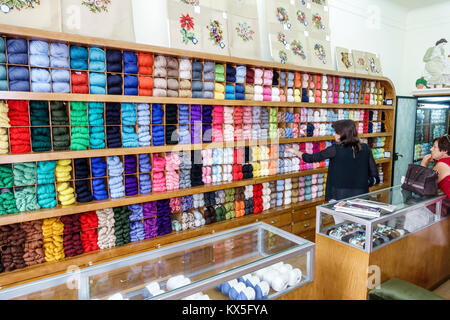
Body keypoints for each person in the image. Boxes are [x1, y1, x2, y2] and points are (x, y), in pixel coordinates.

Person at [287, 119, 379, 202]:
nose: (333, 134)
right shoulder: (365, 148)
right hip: (361, 196)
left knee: (342, 221)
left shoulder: (335, 149)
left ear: (343, 133)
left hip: (339, 196)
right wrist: (364, 183)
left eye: (336, 132)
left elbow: (311, 158)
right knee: (357, 221)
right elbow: (374, 174)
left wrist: (294, 151)